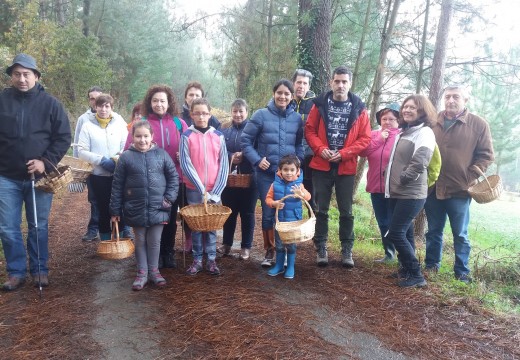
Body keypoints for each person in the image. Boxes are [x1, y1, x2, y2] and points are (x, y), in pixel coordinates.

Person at [0, 53, 71, 290]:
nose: (21, 79)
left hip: (38, 179)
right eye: (17, 74)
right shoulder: (2, 101)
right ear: (11, 77)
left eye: (26, 74)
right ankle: (16, 272)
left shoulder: (50, 104)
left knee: (38, 225)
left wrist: (45, 162)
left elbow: (63, 138)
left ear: (36, 76)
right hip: (6, 176)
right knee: (8, 227)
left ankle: (40, 269)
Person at [424, 84, 494, 284]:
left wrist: (468, 176)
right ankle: (431, 266)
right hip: (433, 189)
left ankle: (462, 272)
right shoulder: (433, 122)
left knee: (460, 234)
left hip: (460, 190)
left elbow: (486, 156)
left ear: (465, 100)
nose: (451, 100)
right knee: (434, 231)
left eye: (456, 97)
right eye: (447, 97)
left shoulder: (478, 124)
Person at [304, 65, 371, 268]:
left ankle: (346, 249)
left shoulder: (359, 107)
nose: (340, 85)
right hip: (321, 165)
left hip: (346, 167)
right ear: (331, 82)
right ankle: (321, 246)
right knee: (320, 209)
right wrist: (320, 149)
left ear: (350, 83)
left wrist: (343, 154)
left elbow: (365, 138)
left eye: (344, 81)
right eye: (337, 81)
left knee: (346, 211)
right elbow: (309, 130)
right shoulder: (319, 104)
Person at [242, 79, 304, 268]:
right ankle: (270, 251)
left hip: (290, 177)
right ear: (273, 93)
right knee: (269, 213)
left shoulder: (297, 119)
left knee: (288, 213)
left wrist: (298, 163)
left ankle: (285, 251)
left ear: (292, 96)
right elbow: (245, 140)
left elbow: (300, 145)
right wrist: (257, 159)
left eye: (287, 93)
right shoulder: (260, 115)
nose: (283, 96)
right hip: (267, 175)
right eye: (279, 93)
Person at [111, 120, 179, 290]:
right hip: (136, 207)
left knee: (155, 241)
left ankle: (154, 271)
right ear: (132, 137)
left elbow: (173, 178)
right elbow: (117, 185)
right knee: (140, 241)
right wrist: (115, 210)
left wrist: (168, 199)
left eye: (145, 136)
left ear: (152, 137)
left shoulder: (162, 155)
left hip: (159, 207)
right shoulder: (126, 157)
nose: (142, 140)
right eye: (138, 136)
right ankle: (142, 273)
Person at [124, 85, 188, 269]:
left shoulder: (178, 123)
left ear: (169, 103)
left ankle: (168, 251)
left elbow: (189, 148)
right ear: (149, 103)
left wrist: (182, 156)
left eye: (162, 101)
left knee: (169, 217)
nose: (159, 104)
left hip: (174, 179)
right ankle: (155, 255)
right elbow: (129, 149)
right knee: (152, 218)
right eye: (155, 101)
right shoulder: (142, 123)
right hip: (149, 181)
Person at [384, 95, 437, 288]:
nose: (406, 110)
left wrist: (403, 178)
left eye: (412, 108)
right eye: (405, 107)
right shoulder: (403, 132)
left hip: (411, 193)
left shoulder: (425, 132)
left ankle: (416, 274)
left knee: (396, 233)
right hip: (397, 191)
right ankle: (406, 269)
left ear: (422, 111)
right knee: (404, 233)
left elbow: (420, 162)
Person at [180, 98, 229, 276]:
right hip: (195, 190)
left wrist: (215, 192)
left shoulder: (218, 136)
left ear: (210, 114)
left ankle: (211, 260)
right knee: (196, 226)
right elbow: (185, 163)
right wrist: (201, 189)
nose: (201, 116)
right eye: (197, 113)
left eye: (205, 113)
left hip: (215, 191)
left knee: (211, 226)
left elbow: (224, 164)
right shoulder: (186, 136)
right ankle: (197, 260)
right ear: (191, 114)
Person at [78, 94, 128, 240]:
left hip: (118, 173)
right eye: (100, 106)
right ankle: (105, 240)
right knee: (102, 207)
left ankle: (122, 239)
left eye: (107, 106)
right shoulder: (87, 126)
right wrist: (101, 160)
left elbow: (126, 145)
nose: (104, 109)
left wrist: (116, 160)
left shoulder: (119, 125)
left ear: (112, 108)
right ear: (95, 107)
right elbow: (82, 151)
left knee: (120, 206)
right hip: (98, 175)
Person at [359, 103, 400, 263]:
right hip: (376, 186)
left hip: (395, 188)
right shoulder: (374, 134)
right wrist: (379, 140)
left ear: (398, 121)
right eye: (384, 118)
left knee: (394, 222)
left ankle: (403, 255)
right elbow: (362, 152)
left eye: (392, 119)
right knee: (383, 221)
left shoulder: (402, 136)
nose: (388, 122)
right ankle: (389, 254)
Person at [218, 99, 256, 260]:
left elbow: (258, 149)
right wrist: (231, 156)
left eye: (241, 111)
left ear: (247, 112)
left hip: (250, 178)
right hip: (229, 178)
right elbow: (220, 151)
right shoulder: (225, 131)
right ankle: (227, 244)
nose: (238, 114)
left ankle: (246, 247)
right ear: (231, 112)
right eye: (235, 111)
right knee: (229, 213)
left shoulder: (254, 130)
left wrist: (245, 155)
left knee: (247, 213)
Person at [265, 155, 311, 279]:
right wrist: (274, 203)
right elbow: (268, 199)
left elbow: (308, 196)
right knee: (279, 244)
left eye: (292, 170)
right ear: (280, 170)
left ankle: (290, 267)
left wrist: (301, 194)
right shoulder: (275, 185)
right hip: (279, 221)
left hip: (293, 221)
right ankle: (279, 265)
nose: (289, 173)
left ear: (297, 171)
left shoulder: (299, 185)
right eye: (285, 170)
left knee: (291, 244)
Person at [74, 86, 103, 241]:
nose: (95, 100)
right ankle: (93, 229)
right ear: (89, 100)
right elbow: (77, 144)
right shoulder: (83, 119)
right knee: (94, 199)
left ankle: (119, 229)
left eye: (98, 97)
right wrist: (77, 168)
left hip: (110, 166)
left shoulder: (114, 117)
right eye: (92, 98)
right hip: (91, 168)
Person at [291, 69, 317, 214]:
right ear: (293, 84)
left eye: (304, 83)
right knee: (288, 192)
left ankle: (312, 229)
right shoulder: (285, 101)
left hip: (309, 156)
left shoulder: (316, 105)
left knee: (310, 196)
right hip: (289, 156)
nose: (301, 86)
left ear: (308, 87)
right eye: (299, 82)